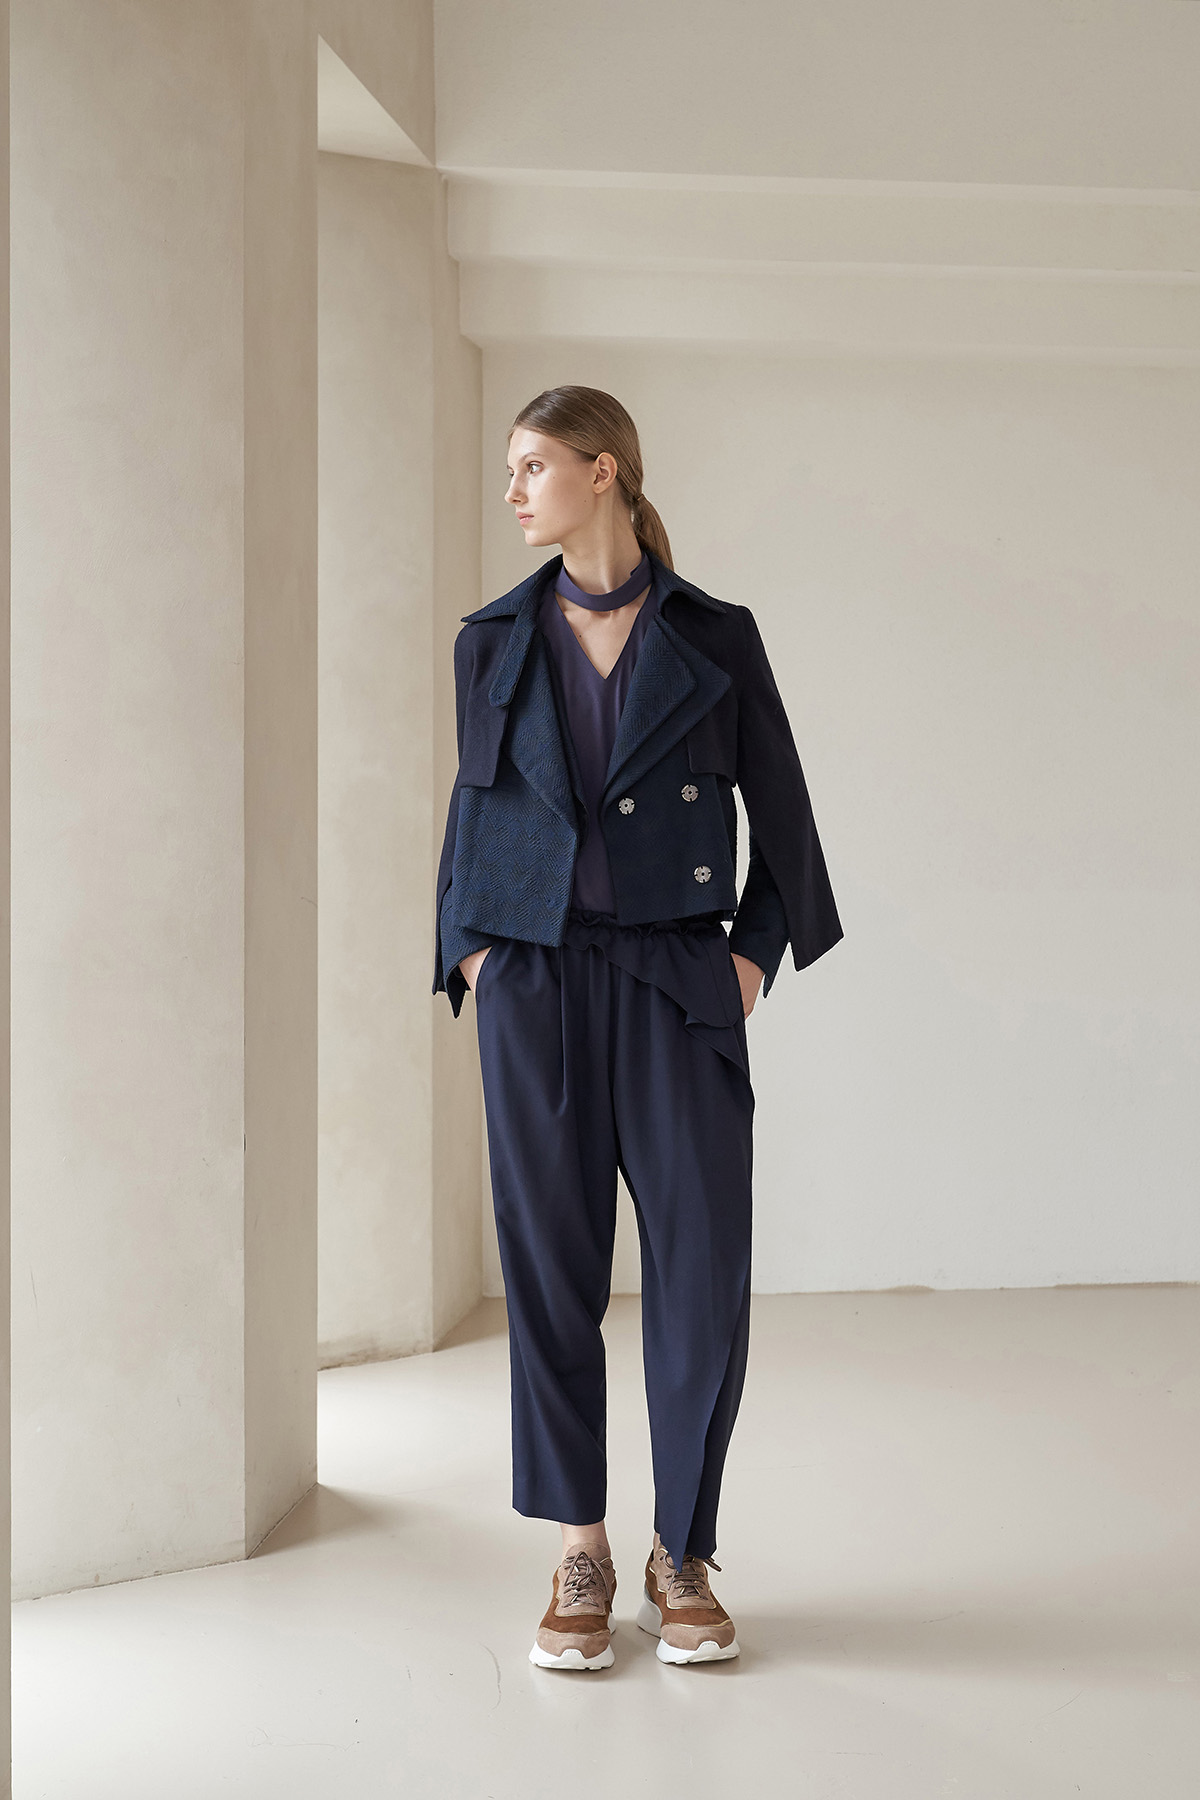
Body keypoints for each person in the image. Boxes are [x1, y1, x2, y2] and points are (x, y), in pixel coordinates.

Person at [433, 385, 842, 1670]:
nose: (513, 489)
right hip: (537, 988)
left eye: (532, 466)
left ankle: (683, 1552)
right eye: (510, 469)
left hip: (678, 983)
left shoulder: (714, 637)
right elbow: (471, 816)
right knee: (550, 1271)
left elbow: (787, 822)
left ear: (602, 471)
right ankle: (580, 1548)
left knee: (702, 1275)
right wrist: (474, 953)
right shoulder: (492, 641)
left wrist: (749, 963)